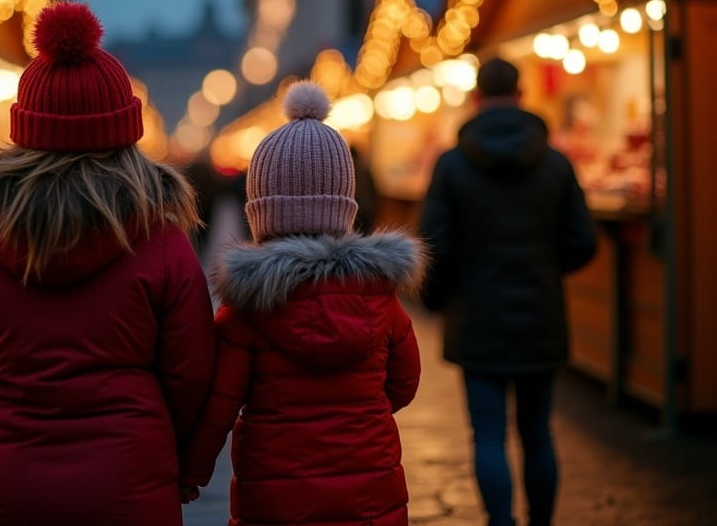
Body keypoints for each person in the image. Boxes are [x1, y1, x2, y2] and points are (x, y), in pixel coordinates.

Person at [0, 0, 216, 526]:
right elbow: (192, 372)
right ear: (126, 131)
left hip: (4, 483)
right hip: (130, 479)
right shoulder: (161, 238)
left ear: (27, 126)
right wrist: (159, 437)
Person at [180, 80, 426, 526]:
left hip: (276, 500)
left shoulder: (248, 310)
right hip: (370, 496)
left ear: (262, 210)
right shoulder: (379, 296)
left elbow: (218, 405)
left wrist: (192, 473)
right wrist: (359, 412)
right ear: (345, 207)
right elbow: (405, 382)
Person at [418, 56, 598, 526]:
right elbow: (583, 241)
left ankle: (500, 523)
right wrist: (545, 269)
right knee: (538, 433)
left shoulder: (452, 166)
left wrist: (440, 300)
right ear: (521, 95)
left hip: (476, 318)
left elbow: (433, 246)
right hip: (541, 314)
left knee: (488, 435)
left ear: (476, 98)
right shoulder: (556, 163)